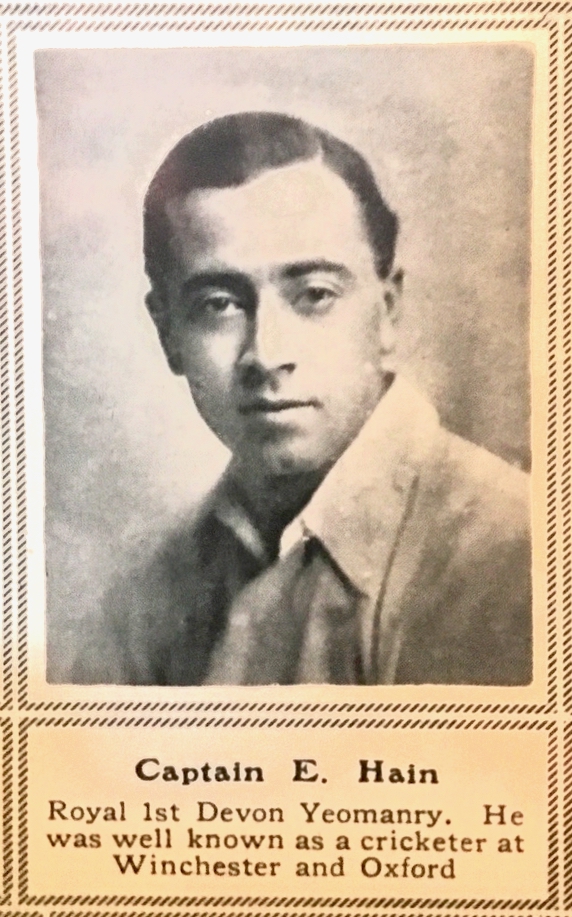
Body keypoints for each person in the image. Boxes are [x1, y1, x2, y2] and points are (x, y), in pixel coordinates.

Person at [71, 111, 532, 686]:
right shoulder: (149, 599)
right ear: (168, 334)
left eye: (314, 294)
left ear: (388, 313)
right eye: (219, 304)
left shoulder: (515, 553)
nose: (267, 354)